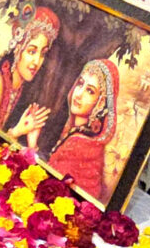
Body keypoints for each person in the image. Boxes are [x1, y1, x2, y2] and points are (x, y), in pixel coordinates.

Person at [0, 4, 59, 147]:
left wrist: (31, 141)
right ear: (18, 49)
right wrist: (16, 131)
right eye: (32, 51)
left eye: (42, 53)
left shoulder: (17, 89)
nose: (36, 61)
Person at [43, 57, 119, 203]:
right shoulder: (80, 136)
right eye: (80, 84)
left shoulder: (81, 145)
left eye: (90, 91)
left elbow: (50, 187)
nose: (79, 94)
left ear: (101, 102)